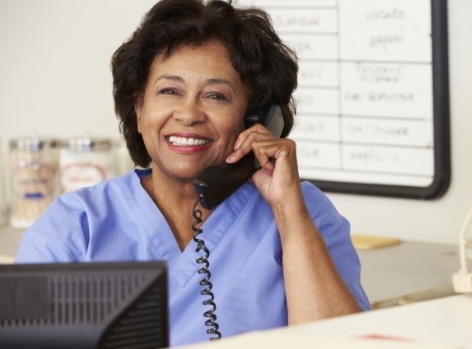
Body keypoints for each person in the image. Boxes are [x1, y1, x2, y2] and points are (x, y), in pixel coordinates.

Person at [15, 0, 371, 345]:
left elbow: (341, 343)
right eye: (169, 90)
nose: (188, 114)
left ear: (256, 118)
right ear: (139, 108)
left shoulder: (305, 212)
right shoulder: (73, 229)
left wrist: (289, 216)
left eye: (216, 96)